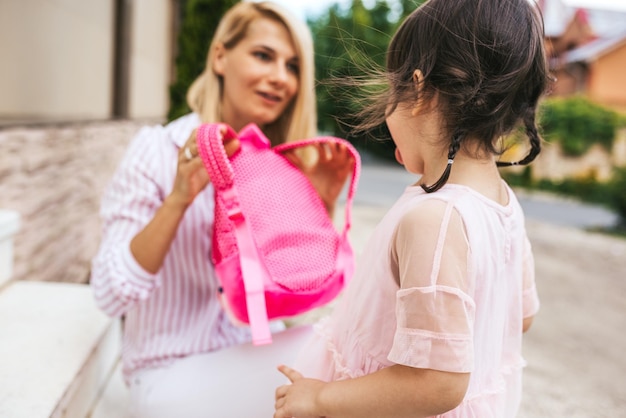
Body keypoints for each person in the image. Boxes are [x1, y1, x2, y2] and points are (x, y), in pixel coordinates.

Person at [274, 0, 550, 416]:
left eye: (391, 90)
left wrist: (318, 397)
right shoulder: (503, 205)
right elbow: (521, 317)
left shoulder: (434, 219)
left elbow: (436, 383)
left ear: (418, 90)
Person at [90, 2, 353, 417]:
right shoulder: (157, 151)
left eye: (293, 66)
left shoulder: (279, 168)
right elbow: (109, 293)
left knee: (346, 339)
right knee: (337, 353)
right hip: (167, 375)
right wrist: (179, 198)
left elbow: (294, 303)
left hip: (246, 357)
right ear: (219, 57)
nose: (279, 78)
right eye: (263, 55)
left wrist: (319, 205)